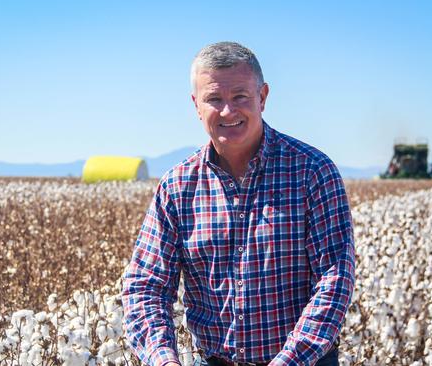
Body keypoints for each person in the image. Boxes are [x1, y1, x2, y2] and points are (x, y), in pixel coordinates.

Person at [122, 41, 355, 366]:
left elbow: (335, 277)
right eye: (214, 99)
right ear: (196, 105)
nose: (228, 111)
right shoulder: (177, 187)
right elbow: (147, 286)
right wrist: (163, 360)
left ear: (262, 97)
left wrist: (288, 361)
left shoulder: (312, 172)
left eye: (240, 97)